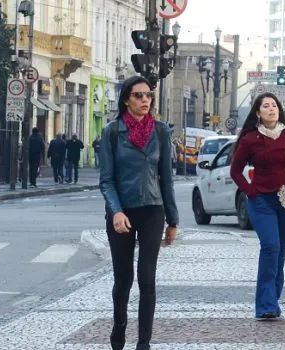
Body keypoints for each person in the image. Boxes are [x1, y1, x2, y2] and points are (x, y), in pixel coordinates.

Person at [99, 76, 179, 350]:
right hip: (122, 214)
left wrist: (173, 220)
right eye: (138, 95)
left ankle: (143, 344)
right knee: (123, 280)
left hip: (152, 212)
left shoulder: (160, 132)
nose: (145, 100)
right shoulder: (111, 132)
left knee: (147, 278)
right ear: (126, 100)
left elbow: (166, 178)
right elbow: (106, 180)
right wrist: (116, 212)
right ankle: (119, 325)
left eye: (148, 95)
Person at [230, 92, 285, 320]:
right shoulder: (250, 139)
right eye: (266, 106)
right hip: (262, 200)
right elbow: (235, 171)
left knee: (280, 252)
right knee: (270, 247)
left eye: (274, 105)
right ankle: (265, 305)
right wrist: (251, 191)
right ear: (258, 112)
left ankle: (272, 300)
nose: (271, 109)